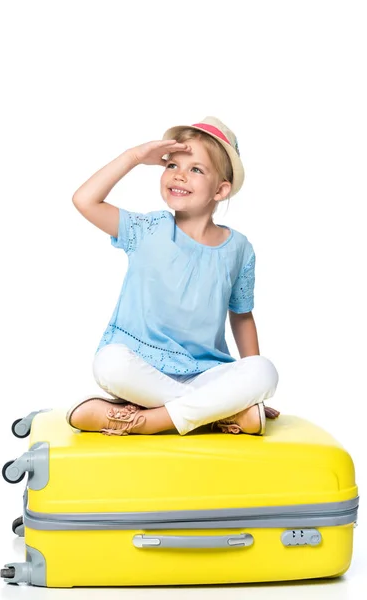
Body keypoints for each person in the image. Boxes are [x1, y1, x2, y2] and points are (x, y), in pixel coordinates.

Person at [66, 117, 280, 437]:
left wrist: (252, 389)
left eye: (196, 169)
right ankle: (218, 414)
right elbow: (85, 200)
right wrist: (134, 157)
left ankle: (151, 420)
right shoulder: (147, 229)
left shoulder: (239, 249)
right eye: (172, 165)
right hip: (142, 370)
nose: (179, 174)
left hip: (204, 374)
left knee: (264, 371)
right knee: (109, 363)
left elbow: (242, 316)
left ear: (221, 190)